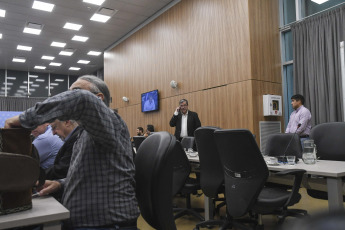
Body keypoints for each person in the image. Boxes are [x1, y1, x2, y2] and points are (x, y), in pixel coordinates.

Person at [5, 75, 139, 230]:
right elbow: (92, 177)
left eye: (74, 91)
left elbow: (82, 99)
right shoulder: (85, 133)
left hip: (106, 225)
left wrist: (22, 119)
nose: (69, 96)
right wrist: (60, 184)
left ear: (99, 99)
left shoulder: (112, 122)